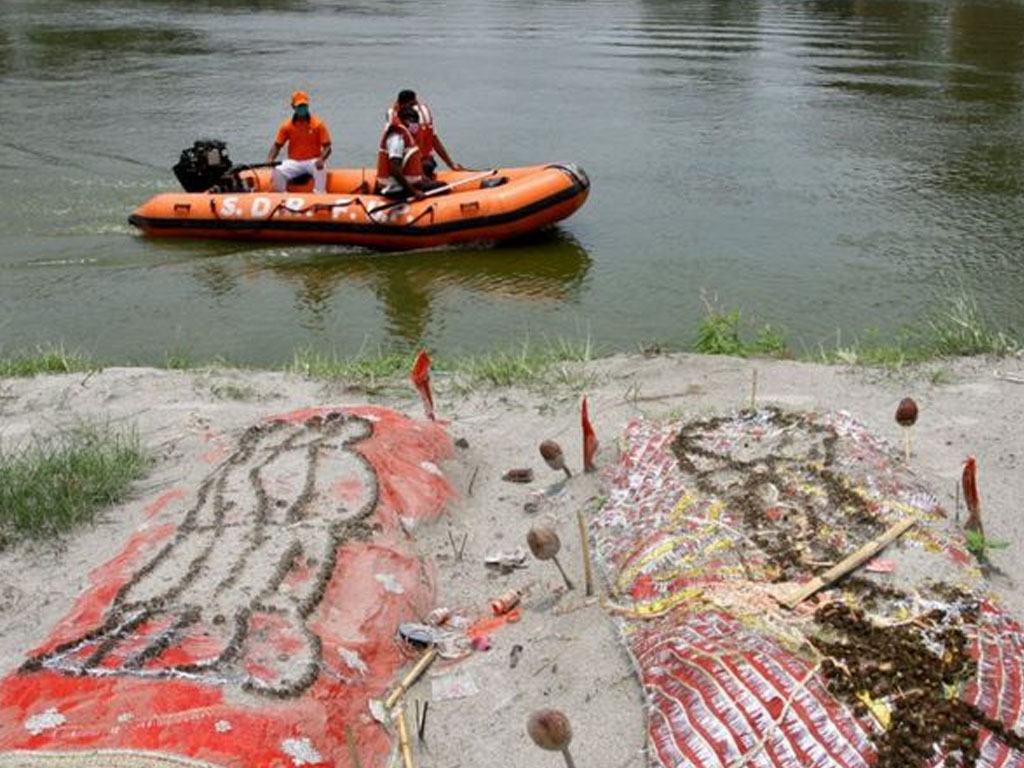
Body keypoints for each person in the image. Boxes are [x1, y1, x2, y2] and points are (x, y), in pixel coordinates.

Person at [385, 90, 464, 179]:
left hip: (421, 163)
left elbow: (434, 141)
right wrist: (450, 164)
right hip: (410, 162)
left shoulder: (406, 118)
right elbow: (435, 141)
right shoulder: (400, 119)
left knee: (423, 165)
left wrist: (451, 164)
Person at [267, 90, 332, 193]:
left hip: (313, 161)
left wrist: (322, 159)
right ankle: (282, 197)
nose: (302, 109)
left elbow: (327, 147)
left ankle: (320, 194)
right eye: (299, 106)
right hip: (294, 162)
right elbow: (277, 145)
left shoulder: (318, 124)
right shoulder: (287, 126)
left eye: (304, 106)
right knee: (278, 171)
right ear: (293, 107)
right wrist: (270, 158)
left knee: (320, 168)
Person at [376, 106, 438, 199]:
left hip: (402, 185)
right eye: (410, 121)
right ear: (402, 121)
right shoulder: (397, 138)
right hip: (394, 188)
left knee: (433, 182)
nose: (413, 124)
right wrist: (414, 192)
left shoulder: (406, 136)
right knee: (442, 187)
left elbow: (406, 162)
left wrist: (422, 176)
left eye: (415, 121)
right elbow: (395, 169)